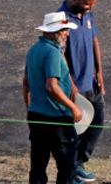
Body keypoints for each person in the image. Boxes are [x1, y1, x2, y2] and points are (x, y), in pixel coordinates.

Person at [24, 11, 84, 184]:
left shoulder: (33, 50)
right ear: (50, 33)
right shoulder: (53, 53)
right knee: (67, 168)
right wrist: (73, 107)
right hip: (57, 119)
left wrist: (30, 109)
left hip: (36, 117)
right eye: (62, 30)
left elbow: (26, 83)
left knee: (38, 167)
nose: (67, 34)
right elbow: (52, 86)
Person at [58, 0, 104, 183]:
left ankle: (79, 164)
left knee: (97, 123)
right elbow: (60, 55)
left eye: (92, 5)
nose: (89, 8)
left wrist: (99, 72)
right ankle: (71, 172)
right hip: (74, 87)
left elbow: (94, 40)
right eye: (86, 4)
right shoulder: (61, 19)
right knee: (74, 132)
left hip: (91, 83)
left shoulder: (87, 15)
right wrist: (71, 86)